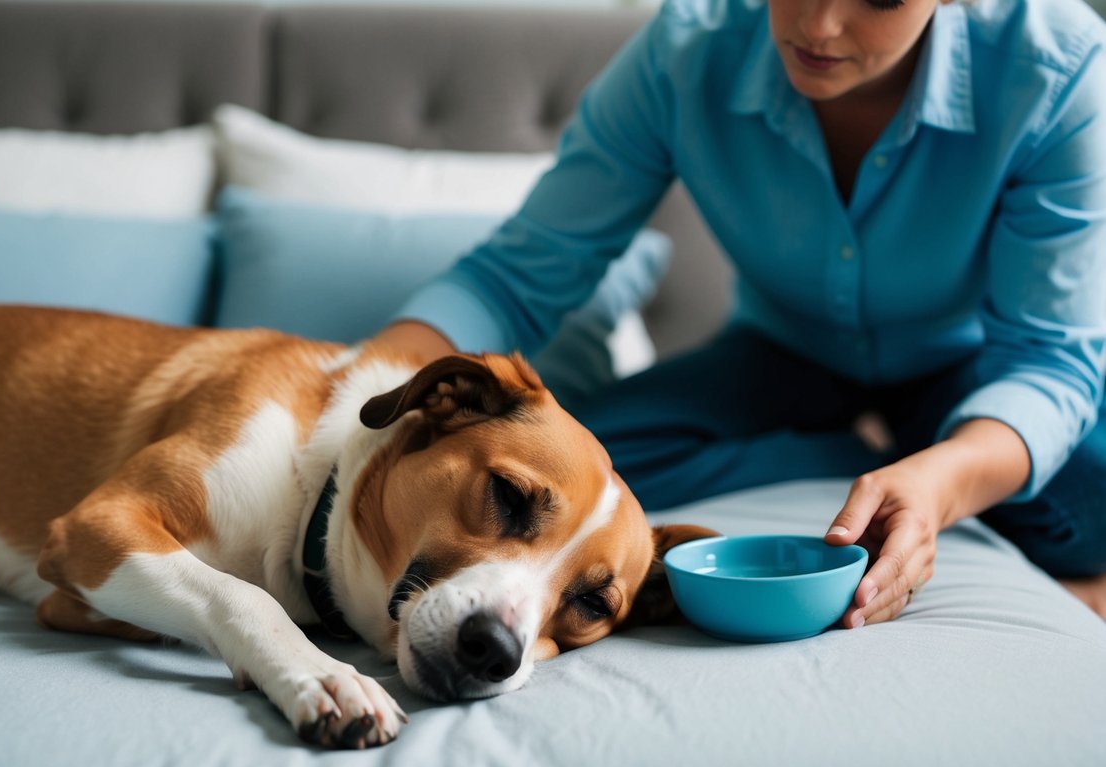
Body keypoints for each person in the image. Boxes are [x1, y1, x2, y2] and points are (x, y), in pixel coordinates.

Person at [371, 0, 1106, 627]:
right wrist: (360, 381)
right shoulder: (686, 48)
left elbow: (1045, 360)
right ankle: (851, 453)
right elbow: (517, 274)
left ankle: (911, 455)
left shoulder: (1059, 72)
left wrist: (941, 481)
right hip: (781, 354)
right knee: (589, 468)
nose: (819, 24)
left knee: (1089, 502)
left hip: (970, 370)